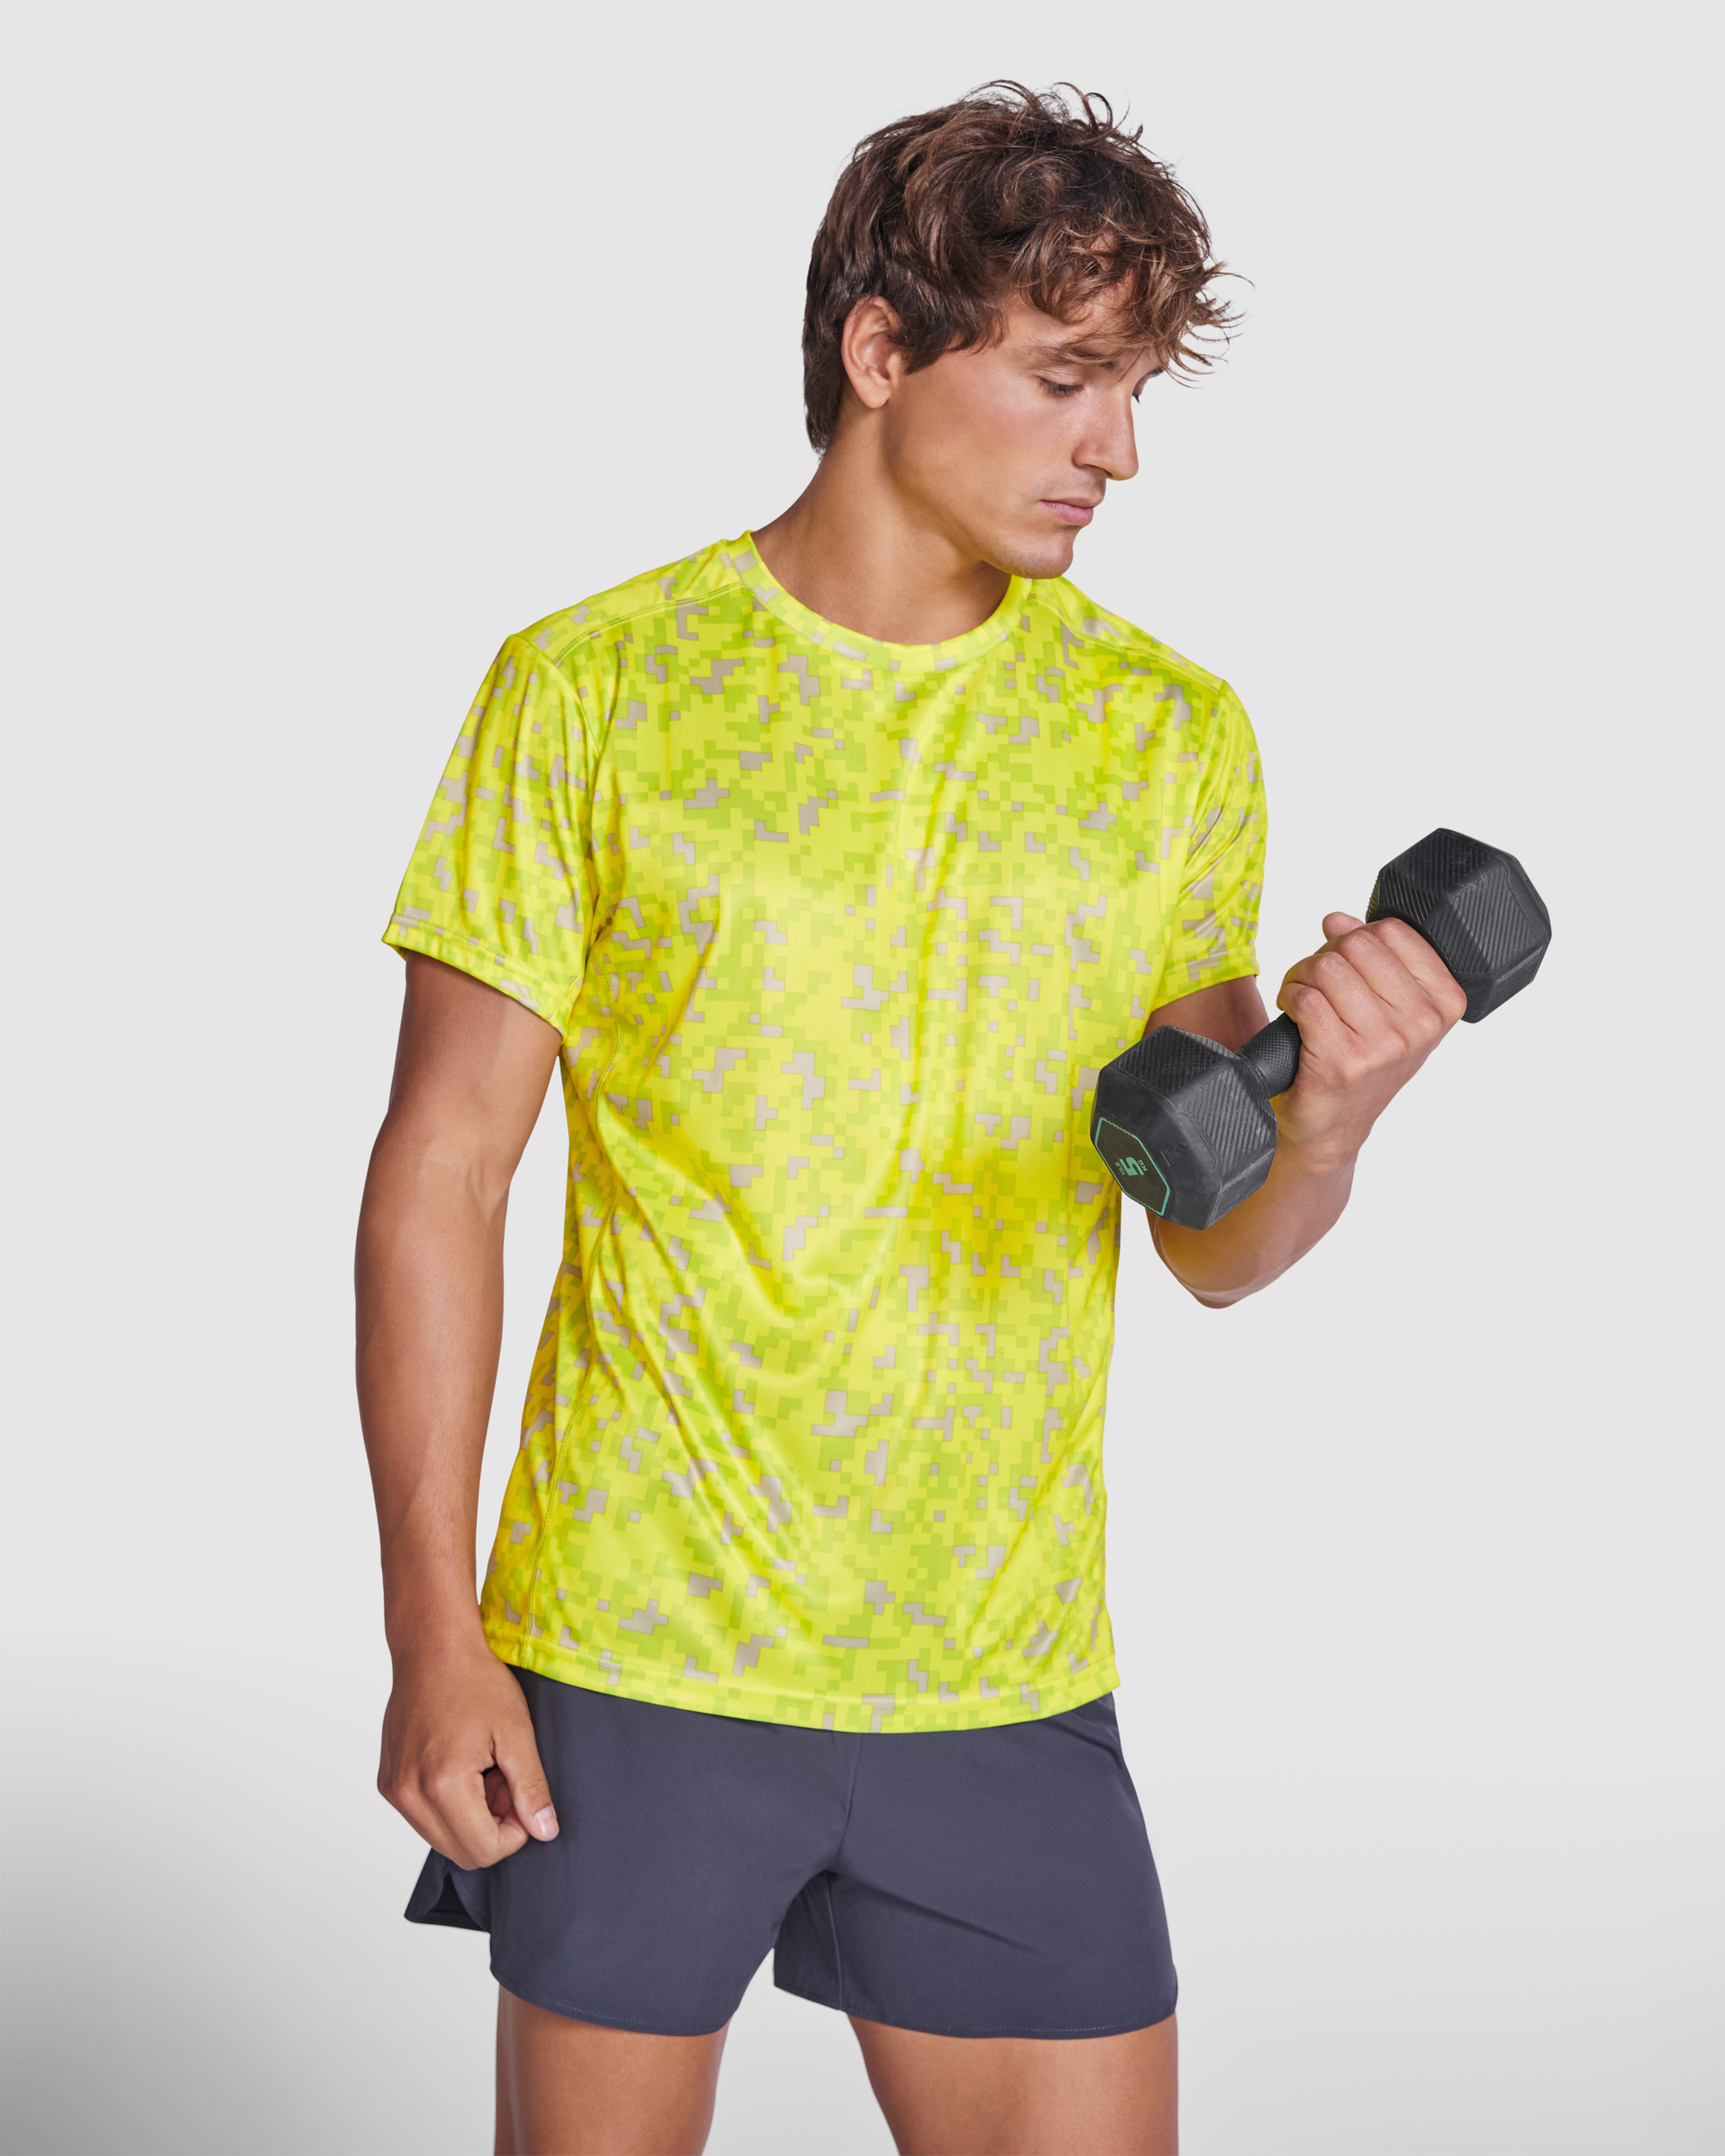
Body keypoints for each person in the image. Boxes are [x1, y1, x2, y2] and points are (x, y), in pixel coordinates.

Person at [356, 82, 1467, 2156]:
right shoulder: (592, 686)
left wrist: (1328, 1122)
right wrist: (434, 1627)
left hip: (1000, 1665)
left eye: (1133, 387)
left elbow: (1212, 1242)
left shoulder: (1164, 733)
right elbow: (442, 1172)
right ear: (882, 350)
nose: (1115, 449)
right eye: (1063, 378)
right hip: (637, 1639)